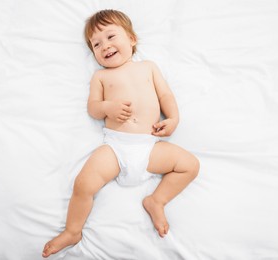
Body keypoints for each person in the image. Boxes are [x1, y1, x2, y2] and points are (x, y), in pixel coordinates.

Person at [42, 9, 199, 258]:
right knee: (83, 185)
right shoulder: (101, 76)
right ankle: (73, 230)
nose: (105, 46)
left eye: (111, 36)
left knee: (190, 165)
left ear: (132, 39)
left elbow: (165, 95)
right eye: (96, 44)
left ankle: (156, 201)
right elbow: (93, 108)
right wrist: (107, 107)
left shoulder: (148, 67)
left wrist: (173, 118)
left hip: (150, 147)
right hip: (116, 147)